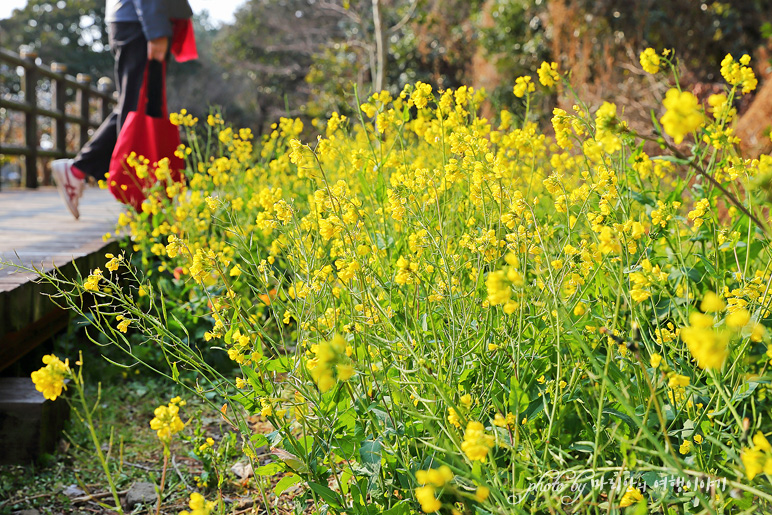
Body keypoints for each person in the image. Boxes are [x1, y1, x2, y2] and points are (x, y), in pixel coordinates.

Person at [52, 0, 194, 219]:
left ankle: (85, 173)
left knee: (142, 109)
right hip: (142, 21)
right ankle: (136, 198)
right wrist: (155, 30)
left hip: (141, 20)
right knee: (138, 109)